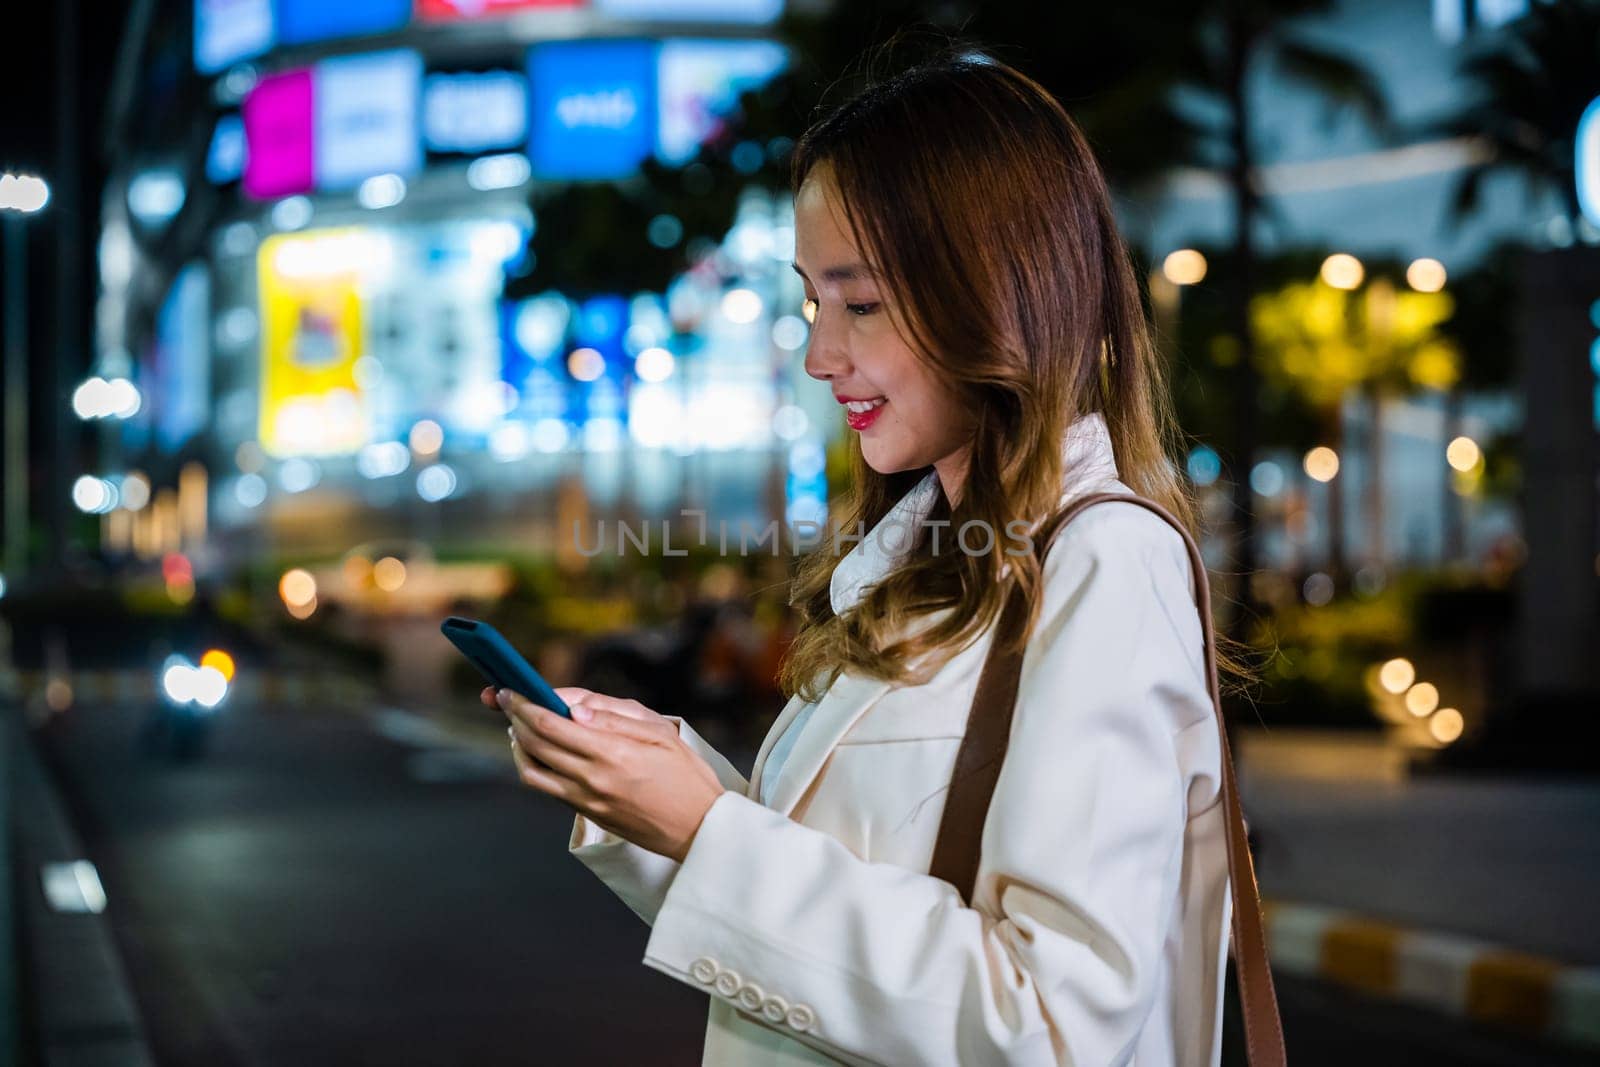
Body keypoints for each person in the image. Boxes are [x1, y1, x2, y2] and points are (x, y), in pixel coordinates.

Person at [488, 45, 1234, 1066]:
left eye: (862, 303)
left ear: (994, 290)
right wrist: (649, 793)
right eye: (811, 301)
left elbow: (1057, 1025)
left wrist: (713, 833)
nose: (818, 354)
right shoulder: (918, 559)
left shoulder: (1103, 559)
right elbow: (828, 900)